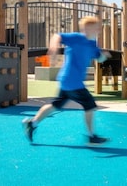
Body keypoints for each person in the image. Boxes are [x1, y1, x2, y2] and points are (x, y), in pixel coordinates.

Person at [23, 16, 111, 145]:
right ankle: (92, 136)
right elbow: (57, 36)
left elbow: (99, 58)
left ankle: (32, 123)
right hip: (72, 80)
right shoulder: (77, 38)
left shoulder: (92, 44)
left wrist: (104, 56)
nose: (99, 29)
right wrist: (53, 47)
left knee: (56, 105)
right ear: (86, 28)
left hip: (67, 81)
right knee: (90, 105)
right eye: (96, 27)